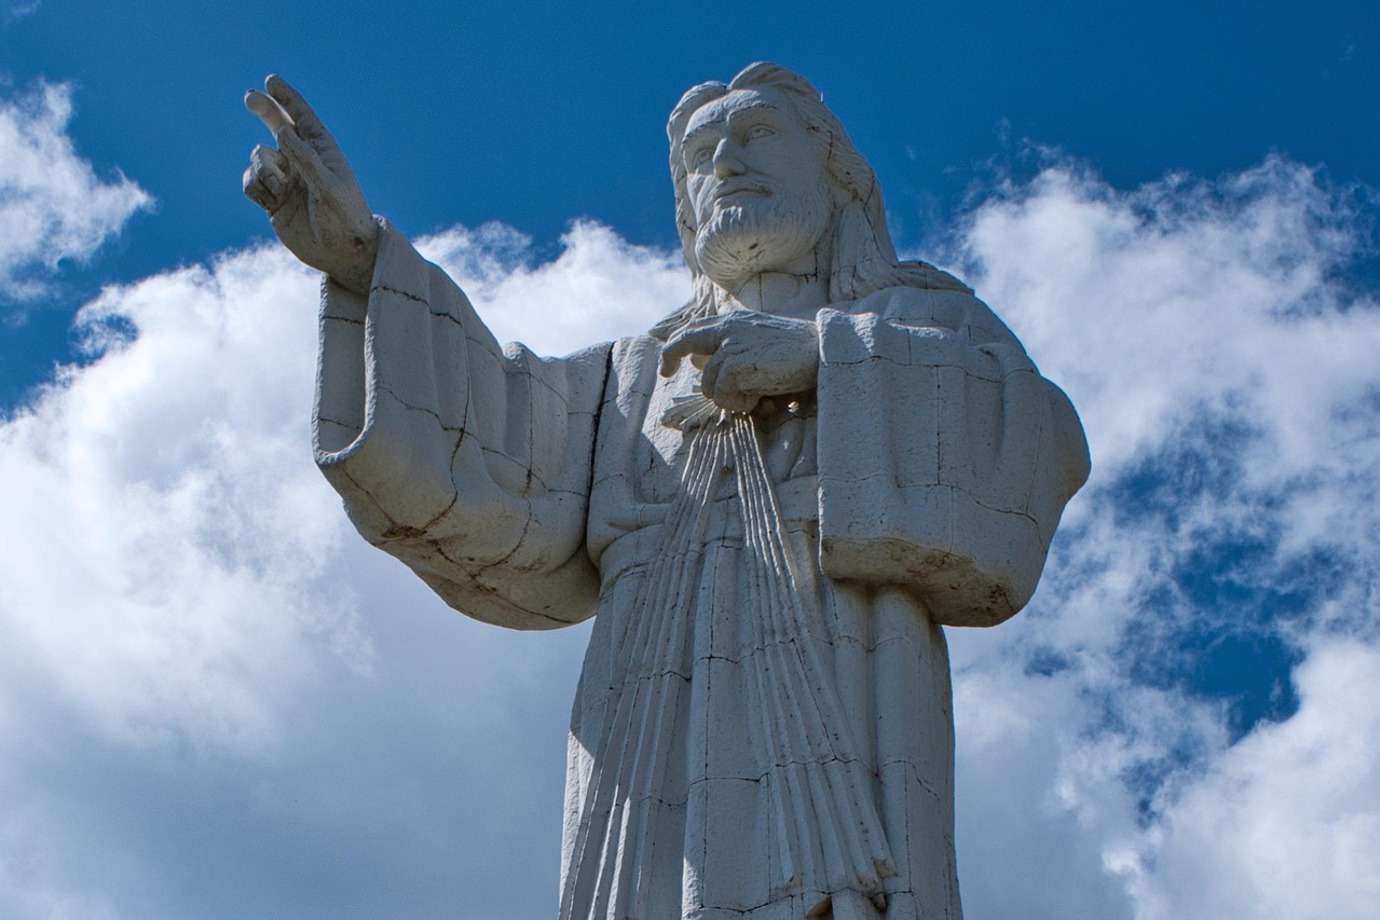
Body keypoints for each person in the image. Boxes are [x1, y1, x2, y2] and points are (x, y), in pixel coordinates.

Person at [244, 62, 1088, 920]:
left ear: (837, 174)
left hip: (842, 671)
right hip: (646, 720)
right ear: (686, 209)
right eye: (700, 153)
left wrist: (825, 360)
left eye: (757, 133)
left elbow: (1035, 441)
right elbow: (484, 445)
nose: (725, 160)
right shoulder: (637, 368)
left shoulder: (921, 318)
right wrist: (361, 260)